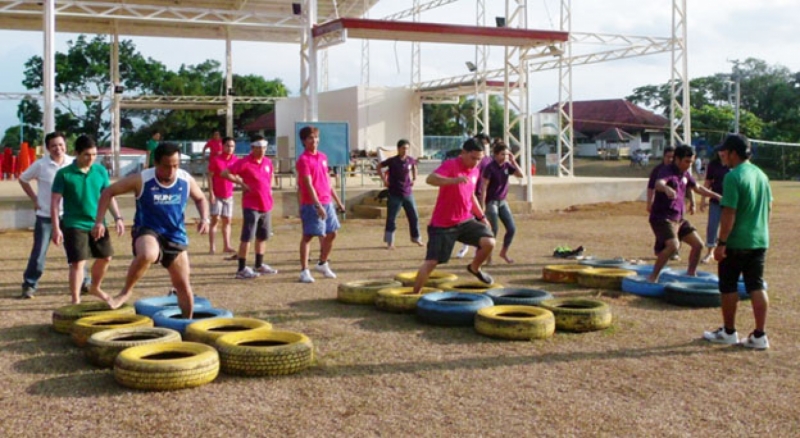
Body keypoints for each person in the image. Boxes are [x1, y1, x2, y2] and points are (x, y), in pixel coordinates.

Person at [94, 142, 209, 317]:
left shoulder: (185, 179)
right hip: (147, 230)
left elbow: (201, 199)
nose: (171, 171)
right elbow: (107, 192)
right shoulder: (142, 179)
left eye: (176, 166)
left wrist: (205, 218)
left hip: (174, 234)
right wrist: (99, 222)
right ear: (155, 163)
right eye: (166, 166)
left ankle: (187, 323)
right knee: (149, 254)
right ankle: (125, 292)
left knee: (183, 286)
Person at [703, 134, 772, 349]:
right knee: (756, 285)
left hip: (736, 241)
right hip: (759, 239)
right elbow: (769, 206)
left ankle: (729, 331)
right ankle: (760, 335)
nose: (722, 155)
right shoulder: (761, 175)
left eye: (725, 151)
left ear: (733, 153)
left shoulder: (732, 177)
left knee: (728, 286)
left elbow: (729, 213)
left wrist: (720, 243)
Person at [411, 138, 496, 294]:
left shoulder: (475, 171)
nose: (476, 163)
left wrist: (482, 217)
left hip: (465, 220)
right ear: (463, 153)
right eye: (473, 158)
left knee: (489, 242)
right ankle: (413, 295)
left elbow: (471, 195)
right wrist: (453, 180)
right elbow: (430, 179)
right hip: (443, 224)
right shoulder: (450, 165)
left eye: (479, 159)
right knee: (431, 263)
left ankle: (474, 267)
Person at [51, 135, 124, 304]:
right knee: (78, 263)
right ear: (76, 153)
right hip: (73, 223)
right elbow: (54, 203)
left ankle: (95, 287)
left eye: (94, 154)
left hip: (98, 222)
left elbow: (109, 196)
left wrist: (118, 217)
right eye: (86, 155)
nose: (91, 158)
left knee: (106, 257)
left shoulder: (100, 171)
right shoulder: (64, 174)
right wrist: (56, 228)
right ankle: (75, 300)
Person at [646, 144, 721, 283]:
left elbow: (697, 188)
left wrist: (716, 196)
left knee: (698, 245)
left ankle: (690, 275)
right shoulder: (666, 170)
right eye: (687, 161)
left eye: (691, 162)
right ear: (677, 159)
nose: (689, 165)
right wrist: (666, 189)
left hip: (679, 219)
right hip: (662, 218)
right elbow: (658, 183)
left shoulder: (685, 174)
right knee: (673, 245)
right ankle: (652, 278)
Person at [18, 132, 75, 299]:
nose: (58, 148)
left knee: (75, 251)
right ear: (48, 148)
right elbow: (23, 179)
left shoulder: (73, 163)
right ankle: (29, 284)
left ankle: (84, 282)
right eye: (53, 146)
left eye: (60, 144)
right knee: (39, 253)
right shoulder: (41, 165)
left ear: (65, 145)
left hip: (70, 215)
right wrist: (35, 199)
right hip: (45, 216)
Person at [221, 136, 279, 279]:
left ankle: (259, 264)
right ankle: (241, 268)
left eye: (264, 148)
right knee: (247, 237)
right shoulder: (245, 162)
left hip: (266, 204)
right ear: (253, 148)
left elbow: (271, 175)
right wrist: (241, 183)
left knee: (262, 236)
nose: (262, 151)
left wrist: (269, 189)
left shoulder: (267, 162)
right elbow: (225, 173)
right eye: (259, 147)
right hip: (251, 205)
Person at [296, 126, 346, 283]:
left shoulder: (323, 157)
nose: (315, 141)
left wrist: (338, 201)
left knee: (332, 233)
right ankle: (304, 270)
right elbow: (307, 184)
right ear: (304, 141)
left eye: (316, 137)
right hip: (312, 203)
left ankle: (322, 263)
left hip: (327, 201)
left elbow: (327, 181)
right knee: (308, 236)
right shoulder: (303, 160)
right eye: (311, 138)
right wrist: (317, 205)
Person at [481, 140, 523, 264]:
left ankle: (503, 252)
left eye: (506, 154)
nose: (504, 157)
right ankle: (488, 257)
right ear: (495, 154)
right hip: (491, 202)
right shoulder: (490, 167)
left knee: (511, 228)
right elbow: (484, 187)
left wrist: (513, 161)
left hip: (503, 202)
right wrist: (482, 204)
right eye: (502, 154)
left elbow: (521, 175)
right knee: (493, 230)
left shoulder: (507, 166)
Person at [376, 139, 423, 250]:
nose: (405, 150)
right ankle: (390, 241)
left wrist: (414, 178)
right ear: (398, 149)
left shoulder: (410, 160)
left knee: (414, 216)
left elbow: (415, 167)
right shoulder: (392, 161)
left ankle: (416, 237)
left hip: (407, 193)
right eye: (403, 148)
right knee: (392, 218)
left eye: (407, 148)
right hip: (394, 193)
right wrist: (384, 179)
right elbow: (379, 166)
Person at [456, 133, 492, 259]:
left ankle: (479, 252)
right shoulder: (466, 159)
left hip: (479, 194)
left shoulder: (487, 160)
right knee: (467, 222)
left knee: (480, 225)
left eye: (485, 144)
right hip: (468, 195)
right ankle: (465, 247)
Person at [207, 136, 239, 256]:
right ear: (223, 146)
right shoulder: (216, 160)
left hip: (229, 195)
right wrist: (211, 193)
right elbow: (210, 176)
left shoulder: (236, 160)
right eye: (228, 145)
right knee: (215, 220)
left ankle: (227, 245)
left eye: (232, 146)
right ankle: (212, 247)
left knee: (227, 220)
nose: (230, 148)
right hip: (217, 194)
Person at [699, 145, 730, 264]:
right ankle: (710, 252)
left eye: (724, 151)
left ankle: (726, 250)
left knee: (728, 226)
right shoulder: (713, 165)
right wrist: (703, 199)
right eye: (720, 151)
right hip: (715, 201)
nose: (721, 153)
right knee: (712, 226)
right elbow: (707, 182)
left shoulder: (732, 165)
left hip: (730, 202)